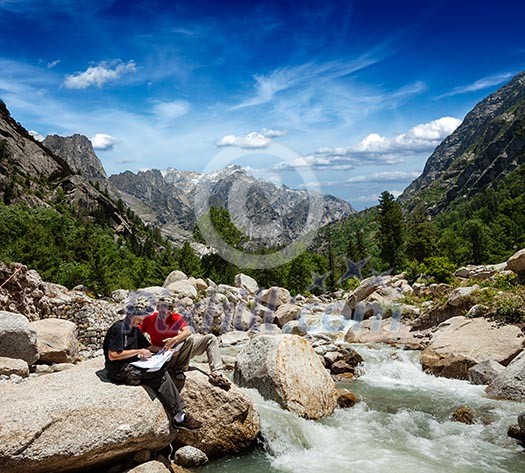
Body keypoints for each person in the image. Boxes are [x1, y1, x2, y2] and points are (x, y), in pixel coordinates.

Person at [103, 301, 202, 431]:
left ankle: (179, 414)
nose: (143, 321)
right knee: (159, 373)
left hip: (133, 364)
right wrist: (138, 351)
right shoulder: (119, 328)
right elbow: (113, 355)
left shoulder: (134, 329)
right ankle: (179, 417)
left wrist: (165, 350)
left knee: (160, 369)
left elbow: (149, 346)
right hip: (119, 370)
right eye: (141, 317)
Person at [141, 295, 230, 389]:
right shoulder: (149, 320)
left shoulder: (175, 317)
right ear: (158, 307)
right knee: (188, 339)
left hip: (179, 351)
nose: (167, 311)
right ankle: (179, 369)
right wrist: (158, 348)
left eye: (170, 307)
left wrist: (174, 340)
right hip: (163, 355)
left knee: (210, 338)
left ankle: (216, 373)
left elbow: (187, 331)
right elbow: (136, 336)